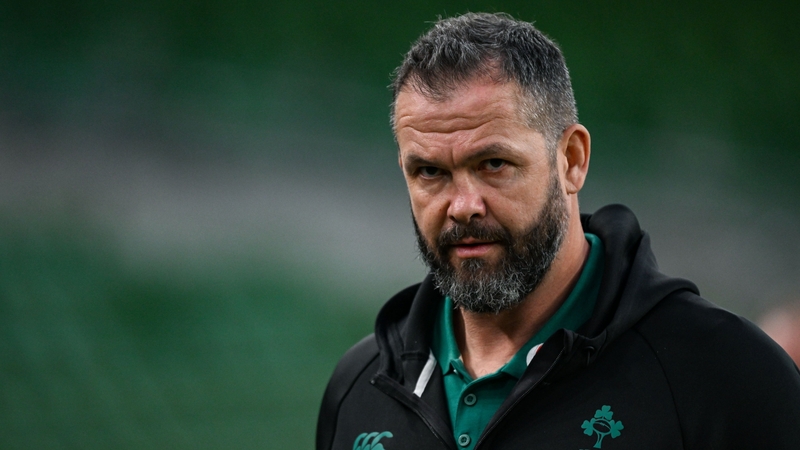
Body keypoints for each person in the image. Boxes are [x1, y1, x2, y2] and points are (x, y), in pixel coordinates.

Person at [316, 12, 800, 450]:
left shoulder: (727, 378)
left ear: (571, 160)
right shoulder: (359, 387)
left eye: (493, 163)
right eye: (429, 172)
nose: (463, 206)